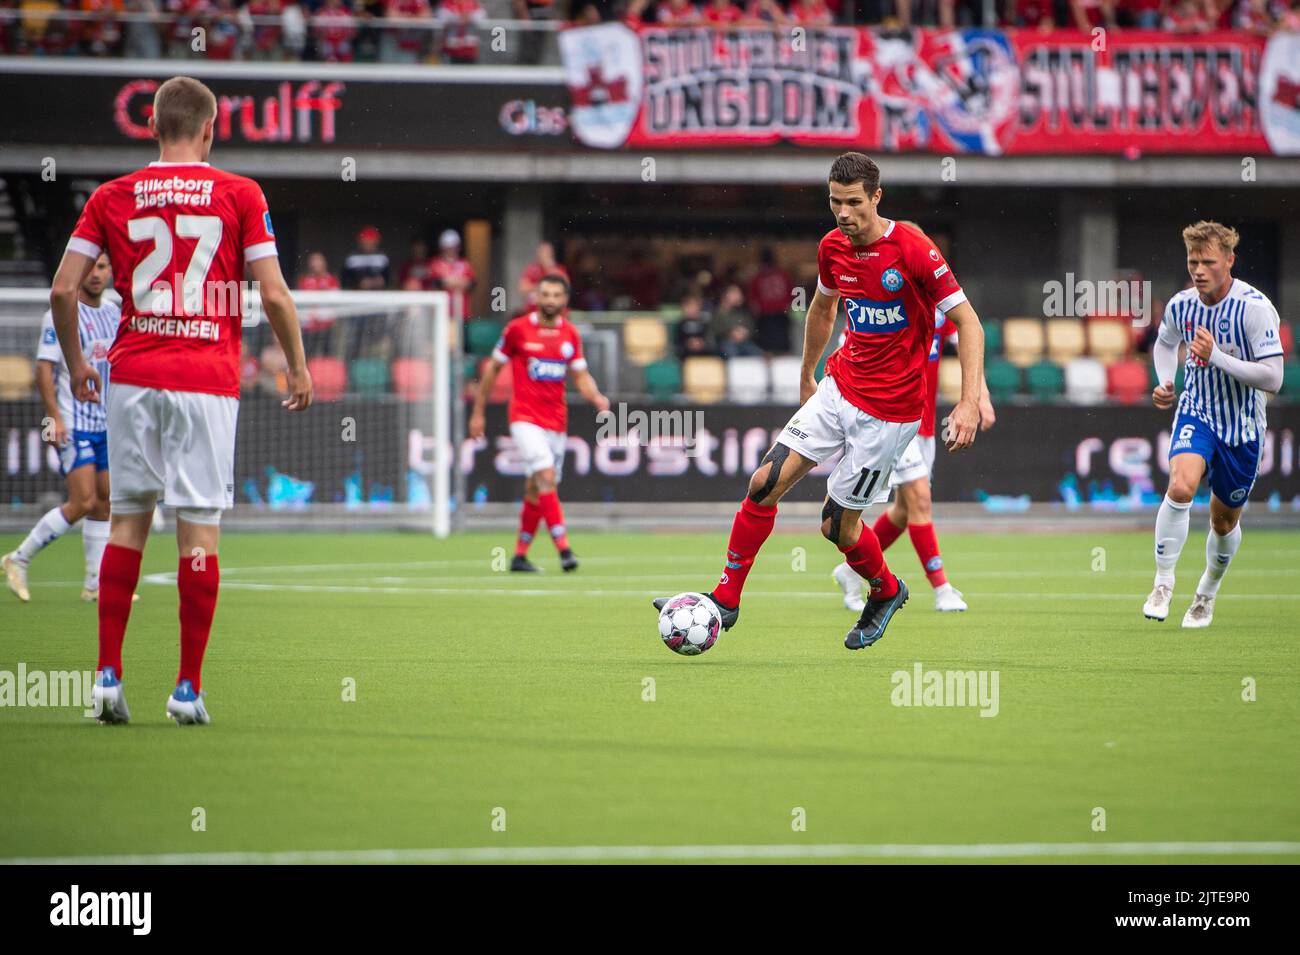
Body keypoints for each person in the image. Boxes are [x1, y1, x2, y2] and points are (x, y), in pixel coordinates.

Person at [48, 75, 312, 725]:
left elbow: (61, 289)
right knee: (198, 532)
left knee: (127, 520)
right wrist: (298, 368)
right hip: (204, 378)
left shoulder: (112, 195)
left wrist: (79, 364)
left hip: (133, 374)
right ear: (212, 129)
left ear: (152, 127)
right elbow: (275, 295)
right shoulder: (240, 193)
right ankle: (186, 688)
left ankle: (107, 678)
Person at [653, 152, 985, 650]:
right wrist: (807, 372)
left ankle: (886, 590)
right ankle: (726, 599)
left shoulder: (912, 248)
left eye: (854, 202)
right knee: (764, 482)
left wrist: (968, 402)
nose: (844, 213)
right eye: (835, 202)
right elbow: (823, 309)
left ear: (876, 197)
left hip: (889, 413)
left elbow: (969, 323)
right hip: (839, 386)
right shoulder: (832, 246)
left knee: (837, 526)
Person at [1143, 221, 1284, 629]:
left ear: (1229, 261)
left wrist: (1216, 356)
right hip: (1197, 411)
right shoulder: (1180, 305)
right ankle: (1163, 583)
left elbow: (1273, 379)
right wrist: (1166, 380)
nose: (1199, 270)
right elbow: (1166, 342)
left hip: (1242, 427)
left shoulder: (1255, 309)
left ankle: (1206, 593)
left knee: (1224, 522)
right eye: (1193, 261)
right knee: (1181, 485)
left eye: (1208, 261)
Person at [833, 302, 996, 613]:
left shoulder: (938, 305)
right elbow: (847, 349)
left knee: (905, 510)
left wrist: (979, 396)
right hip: (891, 418)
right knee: (921, 499)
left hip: (924, 424)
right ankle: (941, 588)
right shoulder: (883, 301)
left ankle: (851, 569)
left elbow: (966, 338)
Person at [468, 275, 609, 573]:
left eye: (556, 295)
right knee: (545, 474)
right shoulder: (517, 330)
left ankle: (520, 556)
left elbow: (580, 375)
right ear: (537, 296)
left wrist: (596, 397)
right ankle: (565, 550)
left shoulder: (570, 334)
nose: (550, 300)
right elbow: (493, 369)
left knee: (537, 487)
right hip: (524, 417)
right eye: (545, 294)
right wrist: (478, 412)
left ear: (564, 300)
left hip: (556, 421)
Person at [4, 254, 122, 604]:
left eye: (103, 267)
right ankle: (18, 557)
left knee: (104, 502)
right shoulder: (60, 313)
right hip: (71, 422)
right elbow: (44, 370)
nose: (97, 274)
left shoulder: (114, 310)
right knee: (83, 500)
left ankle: (94, 583)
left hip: (106, 422)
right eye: (91, 267)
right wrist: (53, 418)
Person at [428, 228, 475, 321]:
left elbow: (472, 284)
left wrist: (449, 281)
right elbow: (434, 283)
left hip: (462, 313)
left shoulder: (465, 264)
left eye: (454, 247)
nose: (451, 251)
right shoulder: (435, 263)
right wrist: (458, 282)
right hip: (441, 313)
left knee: (462, 335)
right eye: (448, 248)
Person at [342, 225, 390, 290]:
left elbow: (389, 279)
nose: (368, 244)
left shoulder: (382, 257)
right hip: (356, 294)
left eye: (371, 242)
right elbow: (344, 280)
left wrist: (381, 282)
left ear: (376, 242)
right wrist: (358, 283)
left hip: (378, 295)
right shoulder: (352, 258)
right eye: (366, 242)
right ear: (360, 242)